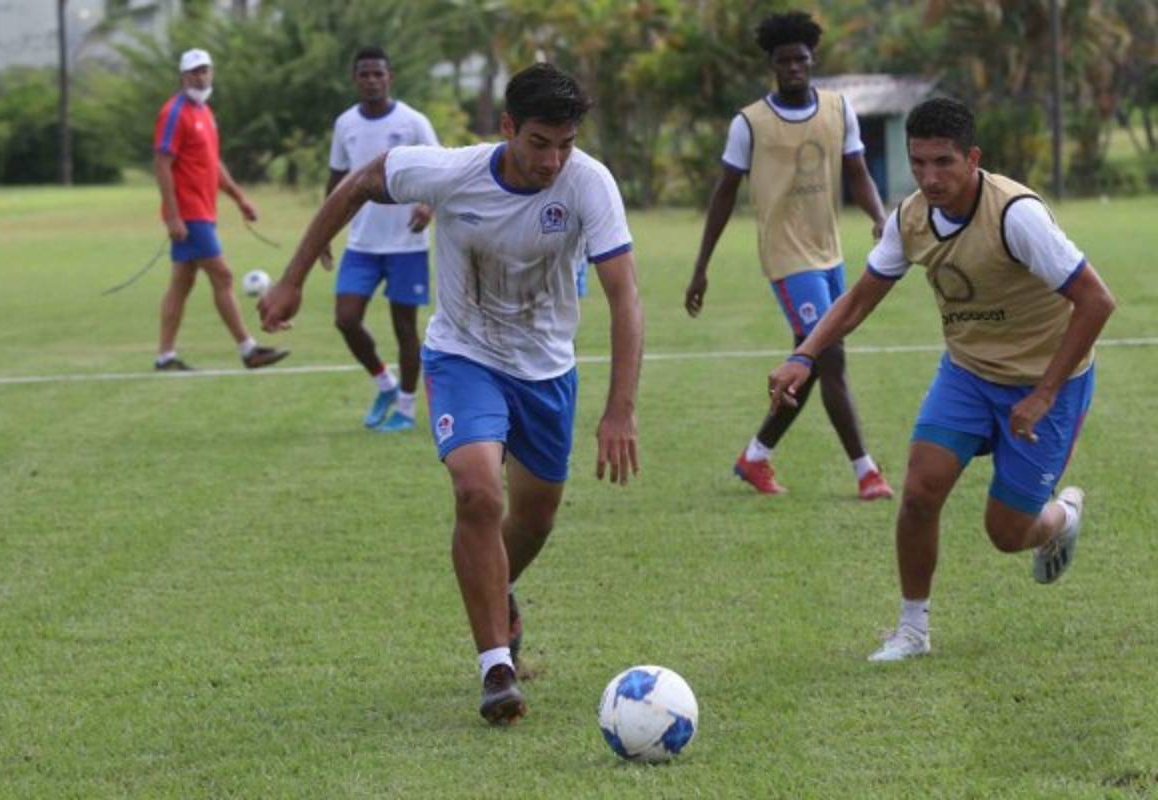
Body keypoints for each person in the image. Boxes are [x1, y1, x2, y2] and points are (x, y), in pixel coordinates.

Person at [259, 63, 643, 724]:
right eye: (539, 143)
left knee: (536, 516)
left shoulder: (589, 184)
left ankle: (500, 594)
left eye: (565, 144)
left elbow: (624, 296)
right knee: (477, 491)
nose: (553, 160)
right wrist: (294, 277)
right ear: (506, 128)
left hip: (548, 370)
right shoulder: (451, 171)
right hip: (463, 355)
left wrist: (620, 409)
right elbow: (357, 183)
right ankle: (496, 667)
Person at [768, 97, 1116, 662]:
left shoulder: (1014, 215)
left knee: (1006, 532)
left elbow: (1097, 301)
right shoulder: (910, 218)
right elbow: (858, 299)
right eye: (919, 163)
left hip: (1045, 380)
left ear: (973, 158)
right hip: (969, 373)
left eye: (944, 163)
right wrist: (804, 356)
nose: (930, 177)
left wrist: (1044, 393)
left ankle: (1060, 518)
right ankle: (912, 630)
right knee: (919, 493)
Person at [683, 11, 893, 500]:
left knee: (813, 361)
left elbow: (858, 170)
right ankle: (867, 473)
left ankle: (755, 457)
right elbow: (722, 195)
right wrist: (700, 268)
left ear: (812, 59)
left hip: (830, 255)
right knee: (829, 356)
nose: (794, 67)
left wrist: (880, 217)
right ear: (773, 65)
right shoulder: (750, 123)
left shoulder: (839, 109)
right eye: (784, 60)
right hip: (787, 258)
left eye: (801, 58)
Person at [320, 47, 440, 431]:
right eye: (364, 74)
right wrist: (323, 233)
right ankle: (384, 384)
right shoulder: (345, 124)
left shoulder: (413, 122)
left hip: (406, 244)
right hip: (362, 243)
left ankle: (405, 409)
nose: (372, 80)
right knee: (346, 319)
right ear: (355, 79)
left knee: (404, 327)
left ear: (390, 77)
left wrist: (428, 206)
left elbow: (442, 172)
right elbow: (337, 180)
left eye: (378, 74)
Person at [152, 48, 288, 371]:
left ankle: (165, 356)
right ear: (182, 77)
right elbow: (161, 163)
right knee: (223, 275)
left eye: (205, 71)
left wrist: (239, 197)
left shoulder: (204, 112)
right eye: (193, 72)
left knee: (182, 284)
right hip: (189, 214)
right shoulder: (174, 112)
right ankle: (248, 350)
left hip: (203, 210)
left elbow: (212, 163)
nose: (200, 77)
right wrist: (172, 215)